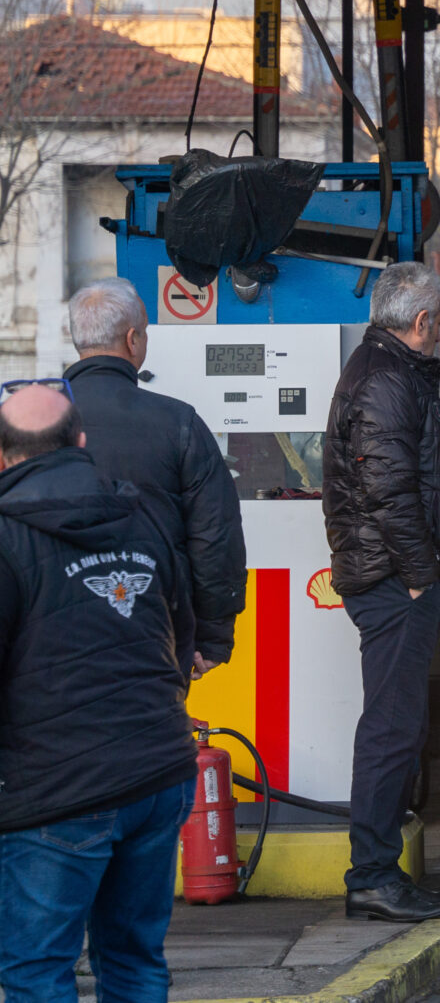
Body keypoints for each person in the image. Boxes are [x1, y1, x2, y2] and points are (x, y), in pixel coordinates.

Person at [0, 381, 196, 1003]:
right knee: (135, 958)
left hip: (54, 793)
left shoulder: (6, 539)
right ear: (81, 442)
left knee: (37, 970)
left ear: (1, 456)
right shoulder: (143, 517)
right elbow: (182, 633)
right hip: (157, 774)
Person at [324, 263, 440, 923]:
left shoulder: (386, 371)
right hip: (395, 583)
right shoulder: (388, 381)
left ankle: (379, 871)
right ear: (423, 322)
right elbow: (389, 493)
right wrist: (421, 576)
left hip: (396, 578)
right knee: (393, 729)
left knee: (398, 725)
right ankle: (371, 875)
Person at [64, 277, 246, 680]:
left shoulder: (26, 420)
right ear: (133, 340)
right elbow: (214, 534)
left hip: (46, 633)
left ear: (79, 340)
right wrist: (212, 635)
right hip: (156, 630)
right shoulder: (178, 422)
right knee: (151, 738)